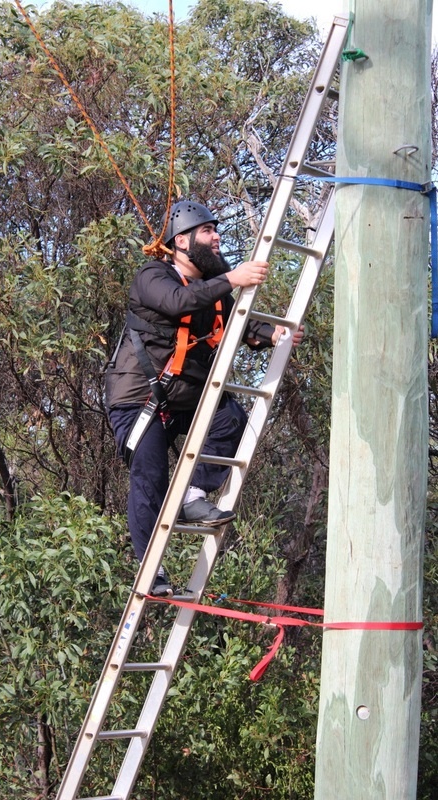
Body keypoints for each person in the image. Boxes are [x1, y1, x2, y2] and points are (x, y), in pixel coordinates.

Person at [105, 200, 303, 596]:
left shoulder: (213, 293)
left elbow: (243, 328)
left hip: (184, 399)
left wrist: (274, 335)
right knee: (150, 475)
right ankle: (150, 571)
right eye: (208, 232)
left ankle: (193, 493)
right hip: (138, 399)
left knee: (231, 420)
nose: (217, 238)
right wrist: (233, 277)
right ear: (182, 241)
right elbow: (176, 303)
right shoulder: (153, 275)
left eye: (216, 230)